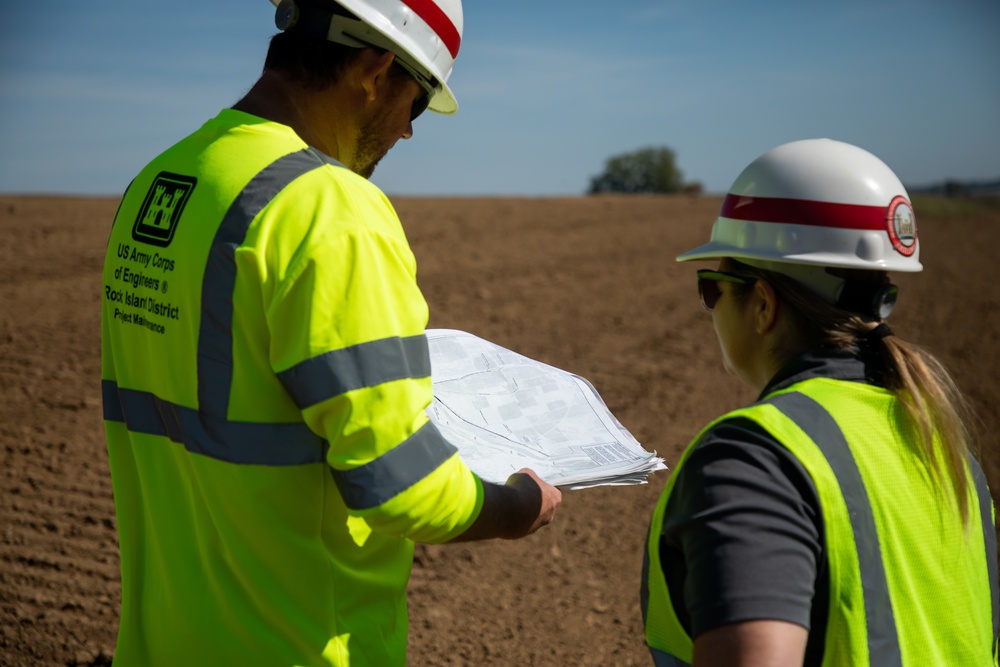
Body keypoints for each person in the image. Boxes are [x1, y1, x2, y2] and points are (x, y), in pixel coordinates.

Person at [100, 1, 561, 665]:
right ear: (376, 69)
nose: (406, 131)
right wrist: (518, 504)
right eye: (419, 102)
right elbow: (407, 490)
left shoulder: (160, 180)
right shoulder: (331, 211)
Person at [641, 138, 998, 666]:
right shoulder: (949, 454)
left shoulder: (754, 460)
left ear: (763, 304)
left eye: (712, 287)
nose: (709, 308)